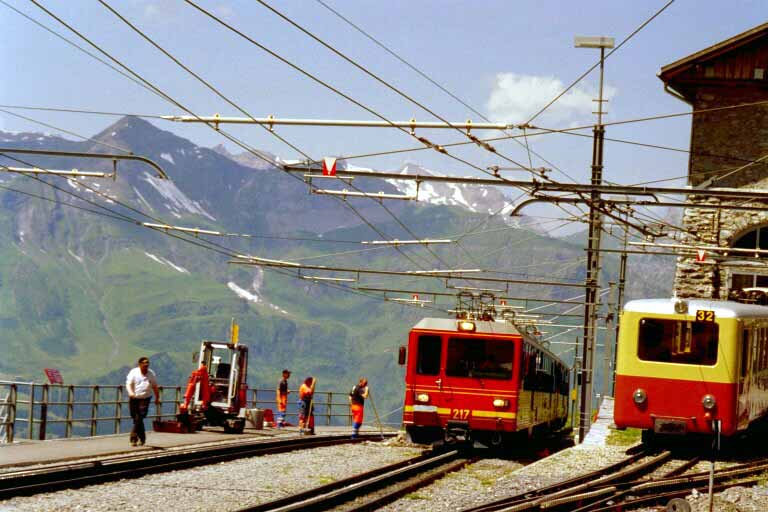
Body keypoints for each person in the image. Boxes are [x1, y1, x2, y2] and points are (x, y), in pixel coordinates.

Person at [126, 356, 160, 447]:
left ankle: (133, 438)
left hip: (145, 398)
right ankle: (142, 439)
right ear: (140, 364)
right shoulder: (134, 372)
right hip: (134, 398)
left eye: (147, 363)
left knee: (139, 418)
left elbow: (155, 387)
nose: (146, 365)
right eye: (144, 363)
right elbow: (128, 384)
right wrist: (130, 393)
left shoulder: (151, 374)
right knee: (136, 418)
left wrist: (157, 398)